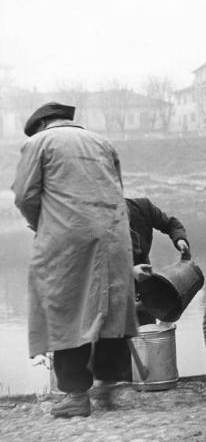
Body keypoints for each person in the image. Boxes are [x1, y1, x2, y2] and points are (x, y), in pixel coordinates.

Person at [12, 102, 137, 418]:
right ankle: (109, 385)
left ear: (41, 125)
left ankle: (76, 395)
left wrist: (44, 223)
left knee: (64, 308)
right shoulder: (102, 143)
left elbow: (25, 196)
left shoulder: (38, 143)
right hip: (113, 234)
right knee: (109, 304)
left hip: (69, 237)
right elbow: (117, 189)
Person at [126, 197, 191, 325]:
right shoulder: (98, 222)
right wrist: (129, 272)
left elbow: (172, 224)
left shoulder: (143, 207)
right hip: (116, 299)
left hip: (147, 292)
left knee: (150, 338)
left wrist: (180, 240)